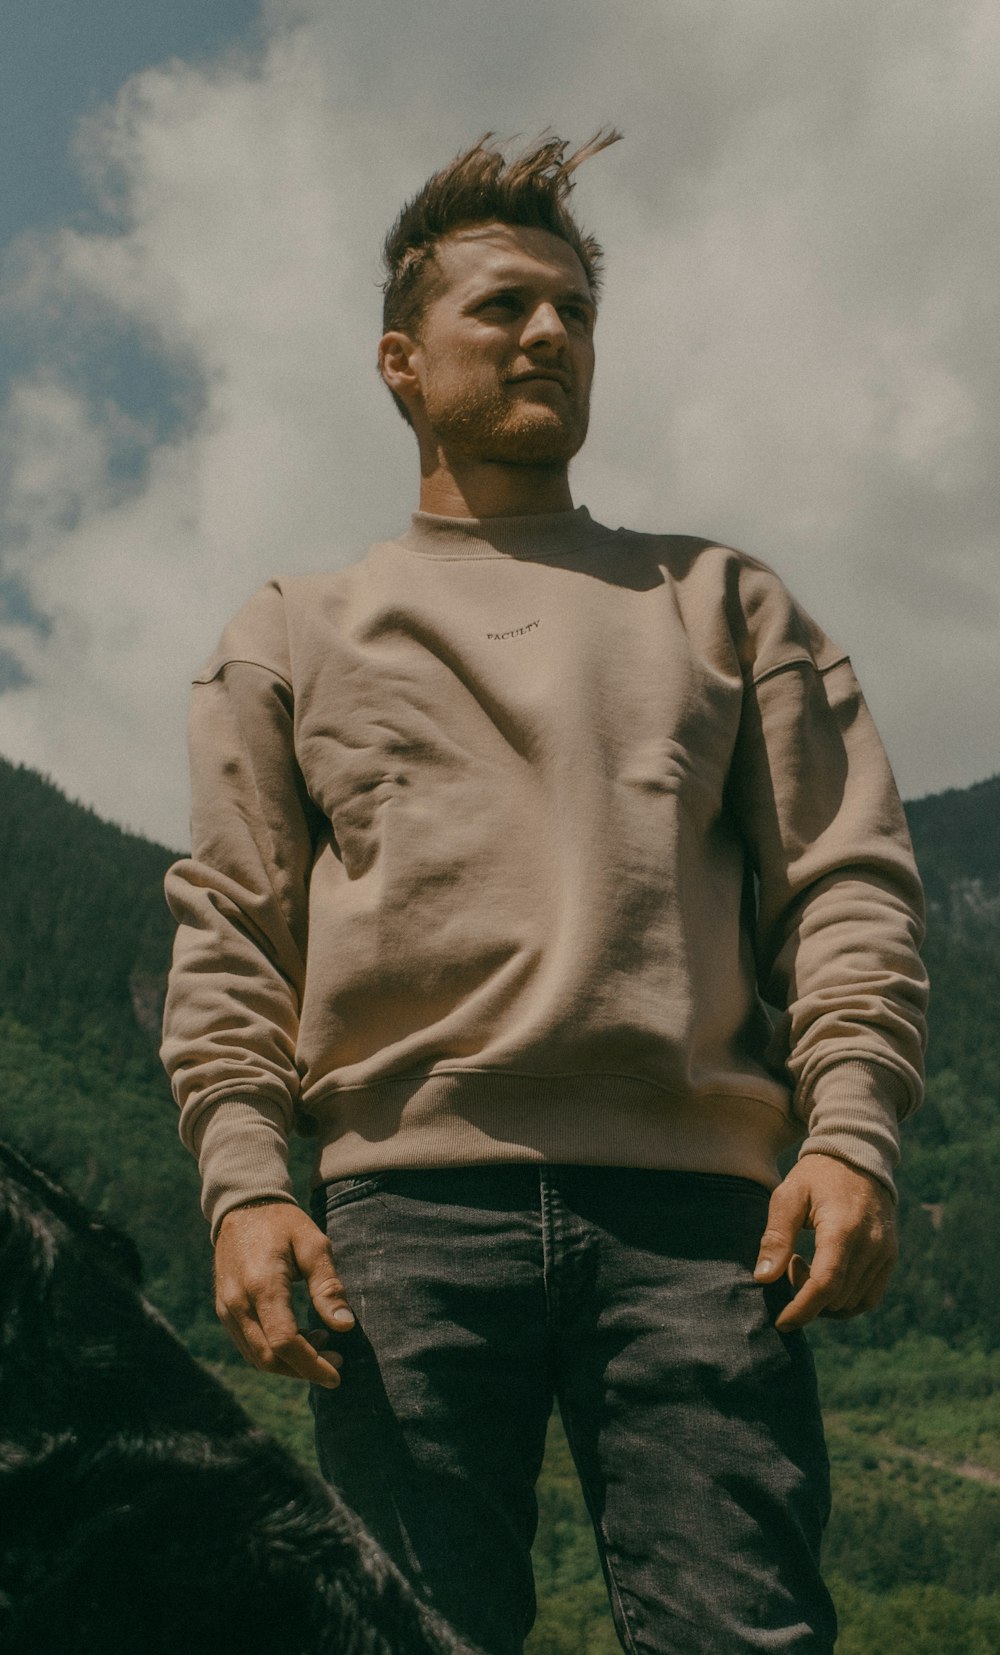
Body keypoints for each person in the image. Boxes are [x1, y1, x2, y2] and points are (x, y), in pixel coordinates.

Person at [160, 131, 928, 1655]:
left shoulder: (724, 602)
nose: (552, 334)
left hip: (710, 1229)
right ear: (400, 358)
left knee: (746, 1637)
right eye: (504, 307)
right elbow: (235, 938)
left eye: (574, 310)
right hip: (402, 1224)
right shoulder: (293, 632)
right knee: (408, 1641)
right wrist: (247, 1186)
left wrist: (851, 1134)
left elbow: (847, 886)